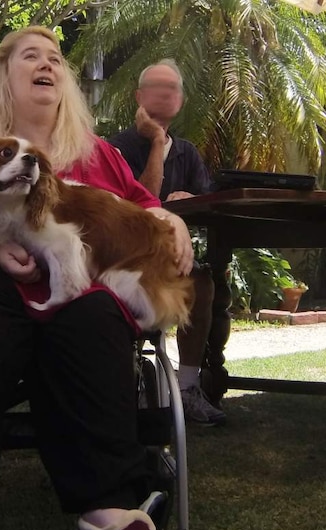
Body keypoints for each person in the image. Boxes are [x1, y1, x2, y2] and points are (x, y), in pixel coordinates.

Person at [0, 27, 192, 530]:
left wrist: (171, 217)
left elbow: (146, 210)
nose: (47, 64)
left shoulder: (100, 156)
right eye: (30, 57)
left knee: (92, 314)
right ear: (4, 82)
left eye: (56, 59)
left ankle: (110, 518)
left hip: (82, 308)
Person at [109, 59, 226, 427]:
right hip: (126, 263)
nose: (164, 94)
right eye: (156, 87)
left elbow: (209, 207)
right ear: (138, 97)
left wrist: (189, 199)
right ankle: (126, 384)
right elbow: (137, 204)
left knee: (204, 284)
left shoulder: (188, 153)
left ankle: (189, 388)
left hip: (173, 259)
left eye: (172, 89)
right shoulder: (117, 148)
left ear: (181, 101)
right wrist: (157, 142)